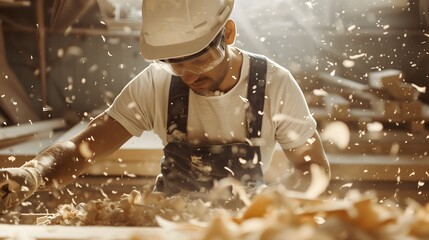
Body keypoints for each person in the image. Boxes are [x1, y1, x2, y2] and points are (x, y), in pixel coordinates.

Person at [0, 0, 330, 211]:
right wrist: (32, 174)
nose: (187, 76)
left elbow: (312, 168)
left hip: (241, 226)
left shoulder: (273, 83)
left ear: (227, 33)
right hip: (167, 222)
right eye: (175, 63)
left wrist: (280, 205)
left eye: (199, 61)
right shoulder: (157, 81)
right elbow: (82, 147)